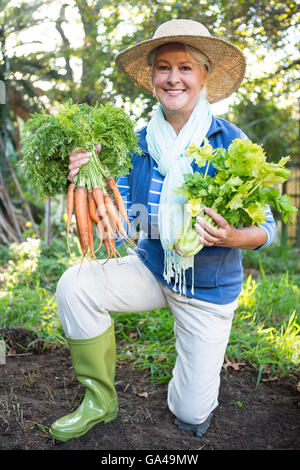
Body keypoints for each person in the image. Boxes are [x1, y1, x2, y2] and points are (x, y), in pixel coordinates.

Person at [49, 19, 276, 442]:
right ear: (152, 76)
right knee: (75, 284)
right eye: (164, 67)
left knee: (190, 413)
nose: (173, 78)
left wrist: (232, 237)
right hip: (152, 270)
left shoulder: (229, 141)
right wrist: (87, 177)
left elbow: (267, 228)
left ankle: (191, 374)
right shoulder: (135, 143)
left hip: (206, 286)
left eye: (186, 67)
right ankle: (99, 400)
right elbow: (121, 219)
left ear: (204, 76)